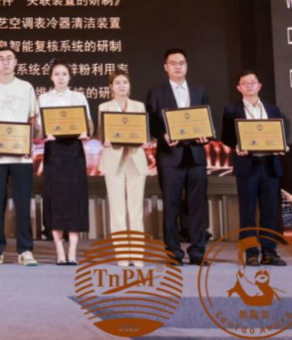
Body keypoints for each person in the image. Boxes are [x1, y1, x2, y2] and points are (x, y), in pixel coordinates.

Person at [145, 48, 211, 266]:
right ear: (165, 67)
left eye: (181, 63)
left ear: (187, 66)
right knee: (171, 206)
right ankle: (173, 253)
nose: (178, 67)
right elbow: (151, 121)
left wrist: (206, 135)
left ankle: (198, 251)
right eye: (173, 63)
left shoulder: (199, 91)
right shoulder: (157, 92)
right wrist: (163, 135)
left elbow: (206, 119)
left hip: (196, 155)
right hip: (170, 156)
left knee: (198, 206)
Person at [0, 48, 40, 267]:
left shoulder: (26, 87)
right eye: (1, 59)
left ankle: (25, 250)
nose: (5, 62)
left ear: (16, 62)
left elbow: (33, 118)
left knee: (23, 204)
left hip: (21, 155)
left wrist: (27, 142)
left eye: (9, 59)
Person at [220, 71, 287, 267]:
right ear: (239, 88)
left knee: (269, 212)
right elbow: (226, 137)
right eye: (245, 83)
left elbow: (278, 134)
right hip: (247, 165)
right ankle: (251, 253)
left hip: (270, 165)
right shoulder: (232, 110)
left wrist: (282, 146)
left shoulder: (272, 109)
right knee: (247, 212)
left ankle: (269, 252)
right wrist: (237, 146)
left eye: (252, 82)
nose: (249, 85)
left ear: (259, 85)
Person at [39, 60, 93, 266]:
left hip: (74, 152)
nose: (60, 77)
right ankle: (60, 251)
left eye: (64, 74)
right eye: (57, 74)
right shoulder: (44, 98)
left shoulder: (78, 97)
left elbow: (89, 123)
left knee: (74, 198)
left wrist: (86, 132)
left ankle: (73, 252)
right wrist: (45, 133)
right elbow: (39, 127)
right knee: (56, 199)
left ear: (70, 77)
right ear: (51, 77)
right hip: (54, 151)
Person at [97, 70, 151, 267]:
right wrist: (104, 140)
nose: (121, 86)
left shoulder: (139, 106)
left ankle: (137, 254)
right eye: (117, 82)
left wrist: (144, 140)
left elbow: (143, 130)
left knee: (135, 209)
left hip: (135, 159)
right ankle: (122, 254)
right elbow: (101, 132)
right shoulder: (104, 107)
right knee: (117, 209)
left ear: (130, 86)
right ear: (111, 87)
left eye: (125, 82)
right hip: (113, 160)